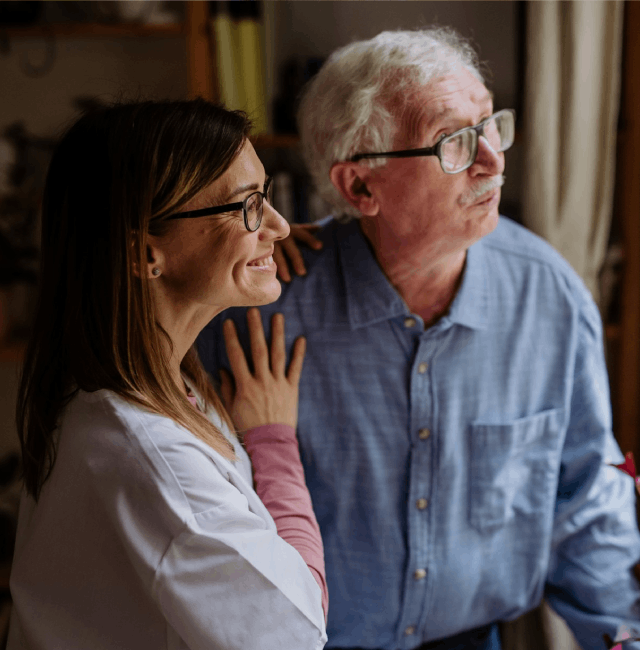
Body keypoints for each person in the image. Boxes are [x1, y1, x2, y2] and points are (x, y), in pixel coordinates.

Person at [199, 28, 640, 650]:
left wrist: (620, 639)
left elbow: (586, 499)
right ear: (358, 187)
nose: (493, 159)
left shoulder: (550, 298)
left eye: (491, 124)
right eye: (454, 142)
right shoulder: (261, 315)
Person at [8, 99, 328, 649]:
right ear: (144, 253)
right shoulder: (153, 464)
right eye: (247, 205)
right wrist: (274, 441)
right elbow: (298, 629)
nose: (278, 225)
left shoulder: (129, 382)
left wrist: (245, 239)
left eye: (266, 195)